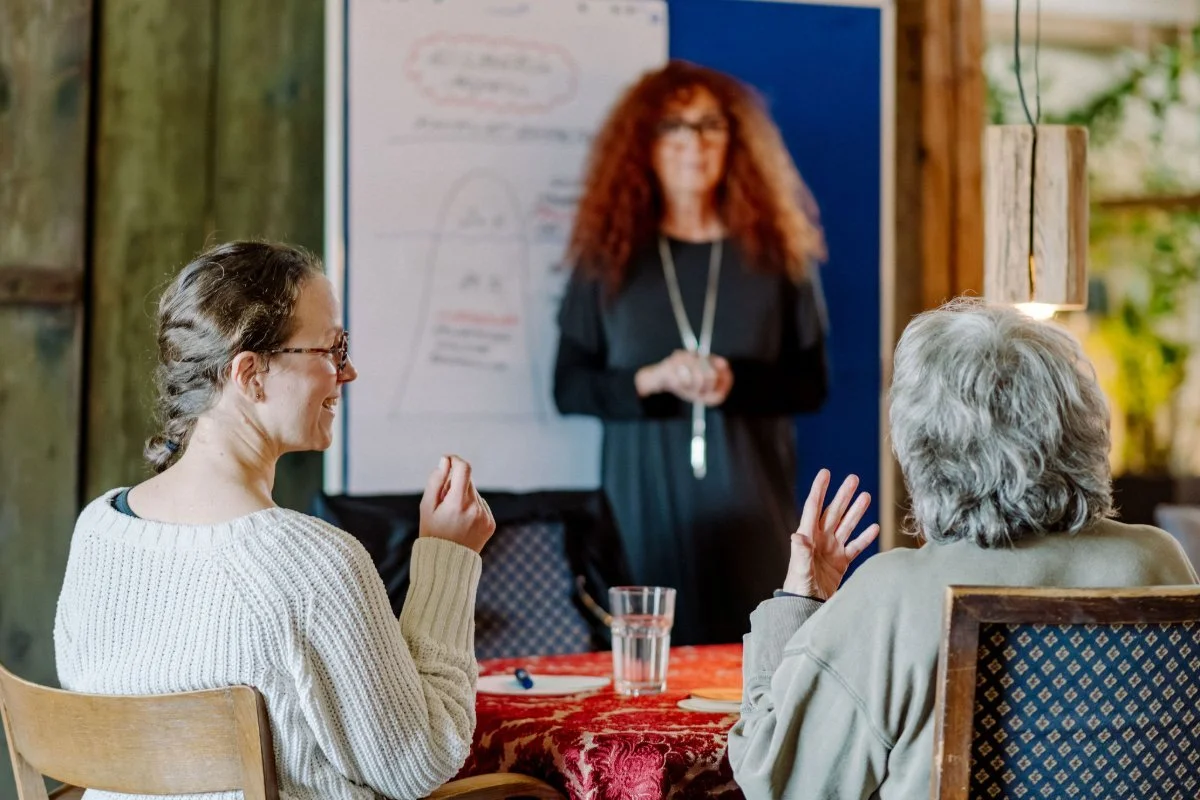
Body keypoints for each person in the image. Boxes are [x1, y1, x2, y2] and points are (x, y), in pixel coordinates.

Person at [54, 241, 496, 800]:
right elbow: (419, 763)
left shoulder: (98, 530)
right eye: (332, 349)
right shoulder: (312, 566)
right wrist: (447, 561)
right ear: (250, 374)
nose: (348, 371)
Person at [728, 300, 1199, 799]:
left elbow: (777, 783)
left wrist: (798, 606)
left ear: (924, 449)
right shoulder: (1156, 560)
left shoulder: (894, 596)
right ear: (1082, 426)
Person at [553, 60, 829, 645]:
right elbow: (569, 387)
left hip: (754, 508)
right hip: (640, 514)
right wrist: (649, 380)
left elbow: (812, 384)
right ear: (644, 144)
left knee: (759, 667)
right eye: (673, 126)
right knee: (647, 679)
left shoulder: (778, 254)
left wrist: (736, 383)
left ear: (735, 140)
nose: (693, 142)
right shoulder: (609, 258)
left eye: (709, 125)